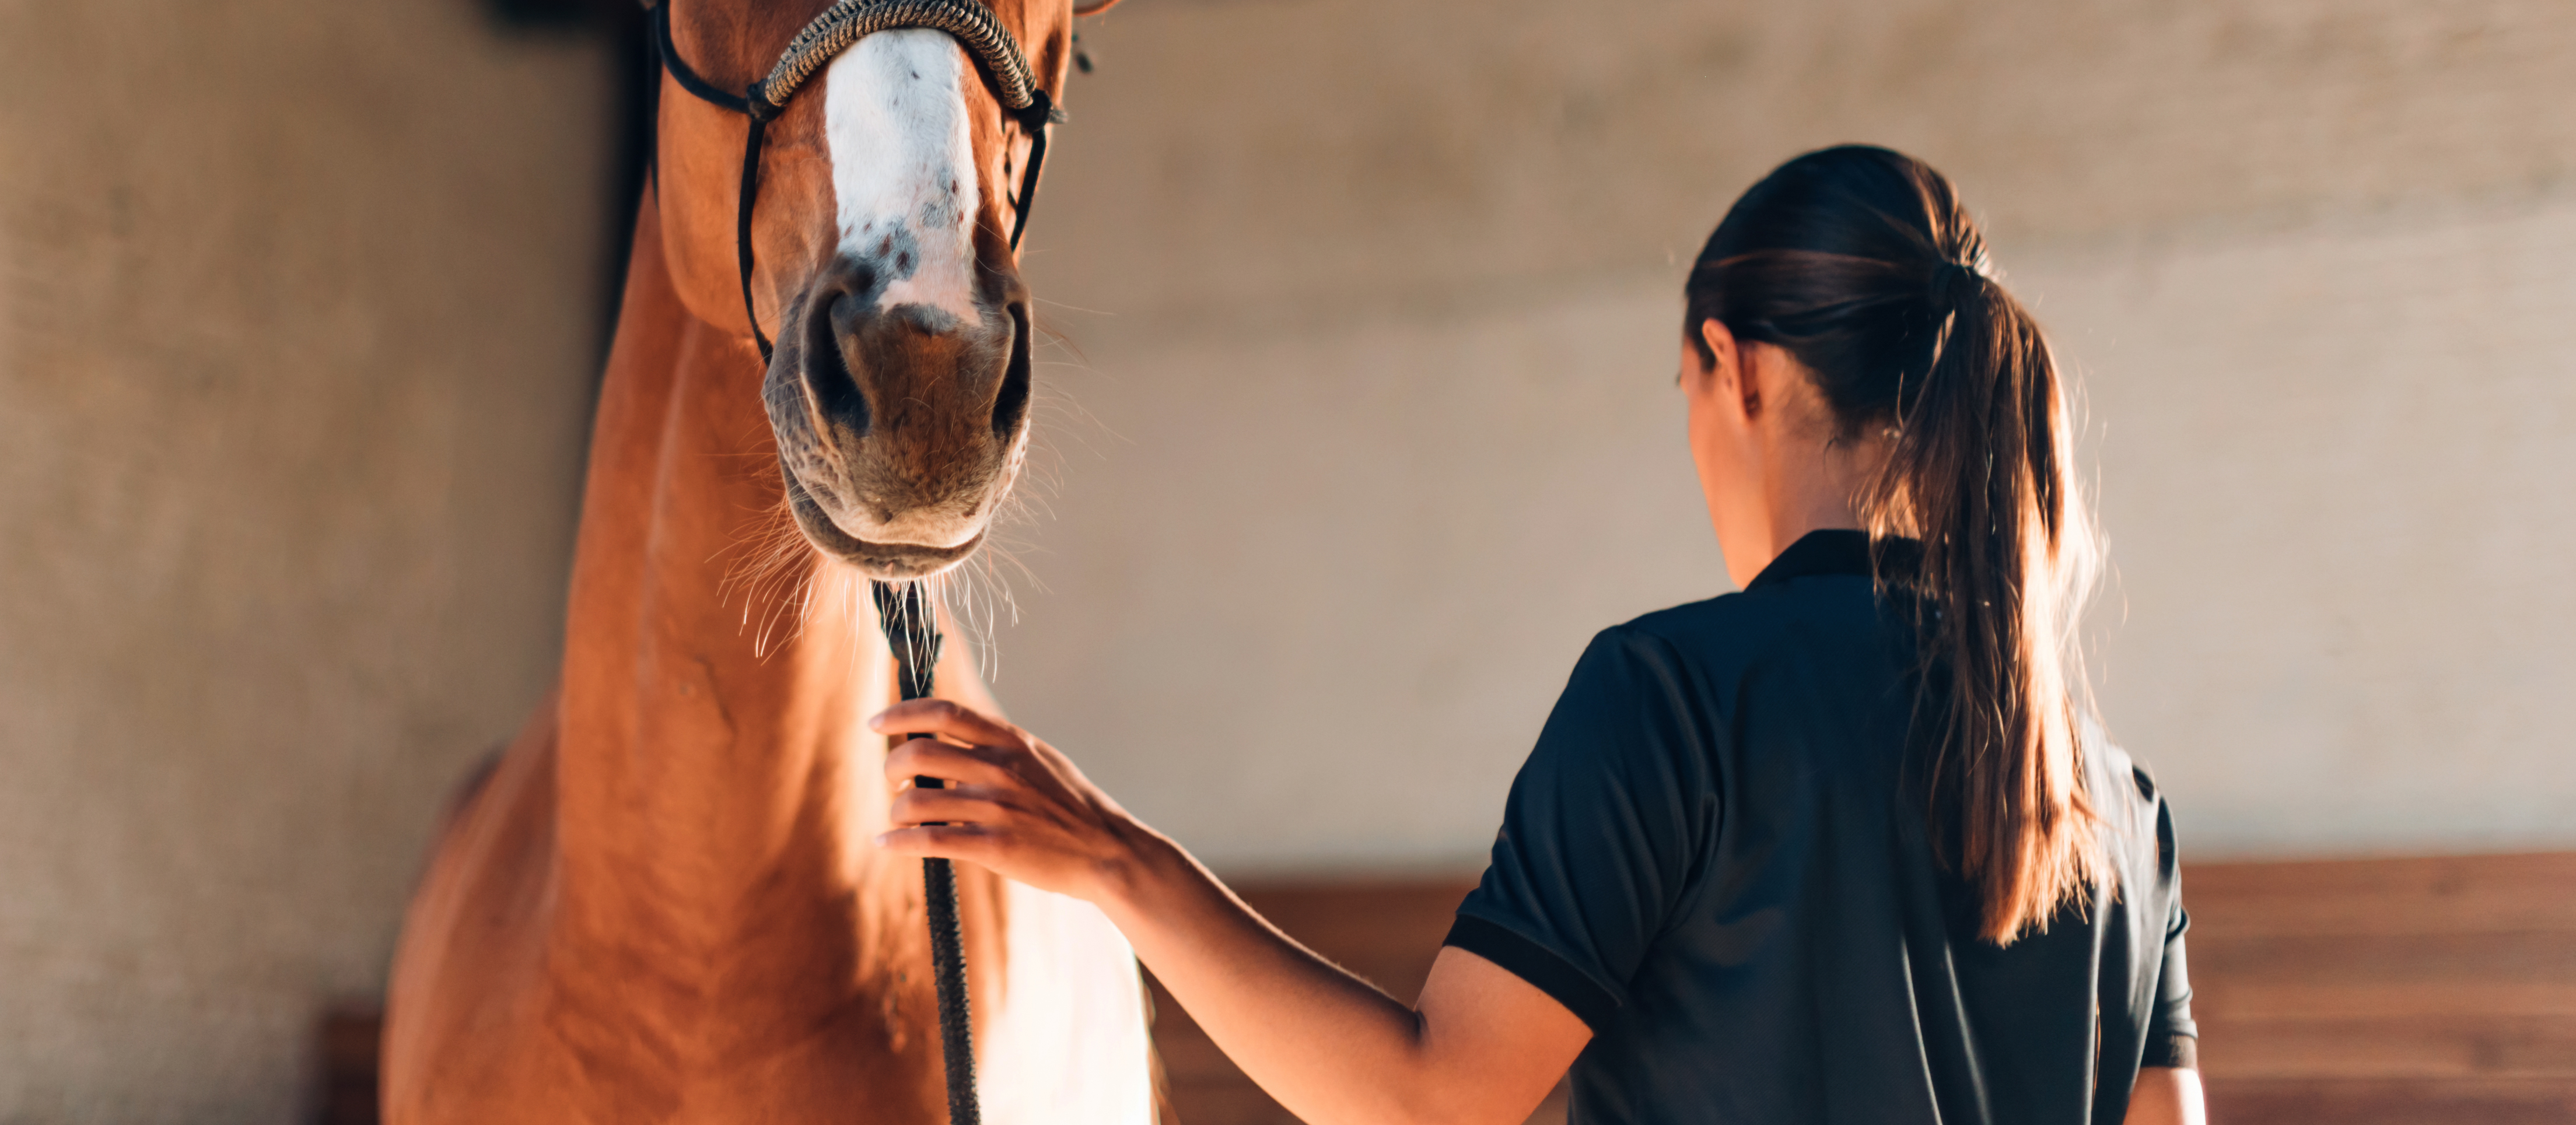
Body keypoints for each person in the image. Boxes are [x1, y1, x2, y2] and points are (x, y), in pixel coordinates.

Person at [876, 145, 2202, 1124]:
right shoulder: (2118, 807)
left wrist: (1115, 862)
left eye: (1684, 390)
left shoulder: (1675, 699)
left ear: (1737, 370)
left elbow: (1435, 1100)